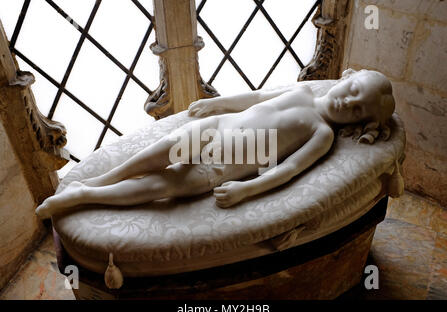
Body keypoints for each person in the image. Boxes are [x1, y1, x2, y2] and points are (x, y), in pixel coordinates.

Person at [36, 69, 395, 219]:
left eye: (357, 110)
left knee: (160, 187)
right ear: (347, 76)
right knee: (154, 156)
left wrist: (246, 189)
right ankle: (98, 181)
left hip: (221, 170)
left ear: (358, 122)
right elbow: (256, 98)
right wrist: (219, 103)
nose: (347, 102)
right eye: (352, 91)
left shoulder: (323, 134)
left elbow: (289, 169)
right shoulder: (301, 89)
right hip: (215, 130)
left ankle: (83, 196)